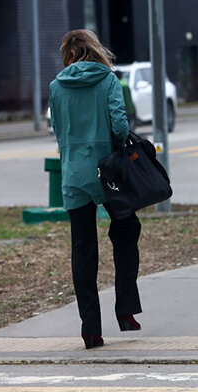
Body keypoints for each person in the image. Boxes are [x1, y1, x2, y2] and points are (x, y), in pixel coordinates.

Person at [49, 30, 143, 350]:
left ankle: (91, 329)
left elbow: (58, 131)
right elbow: (119, 126)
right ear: (95, 50)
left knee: (83, 249)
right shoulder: (107, 80)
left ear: (69, 54)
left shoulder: (56, 86)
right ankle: (126, 310)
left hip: (73, 175)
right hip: (109, 174)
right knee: (127, 230)